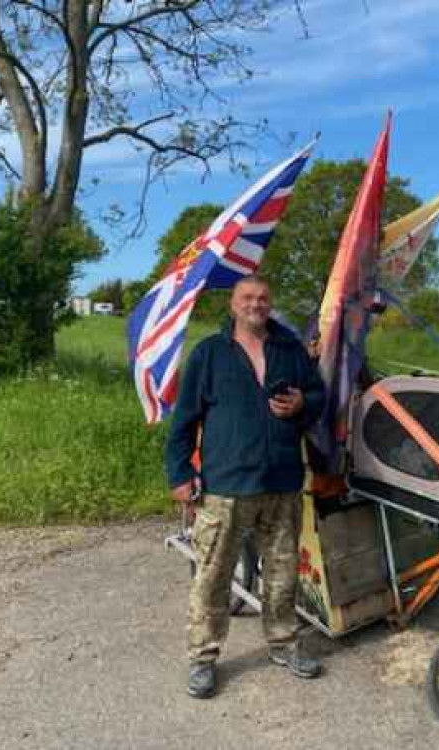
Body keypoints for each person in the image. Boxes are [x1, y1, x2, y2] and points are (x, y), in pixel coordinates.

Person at [165, 275, 326, 699]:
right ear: (234, 305)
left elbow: (319, 395)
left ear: (270, 304)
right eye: (248, 298)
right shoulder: (209, 353)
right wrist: (180, 473)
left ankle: (283, 644)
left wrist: (302, 404)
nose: (256, 304)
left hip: (282, 482)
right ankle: (203, 658)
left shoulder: (290, 348)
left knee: (282, 573)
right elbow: (184, 419)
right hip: (226, 486)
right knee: (213, 576)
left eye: (263, 298)